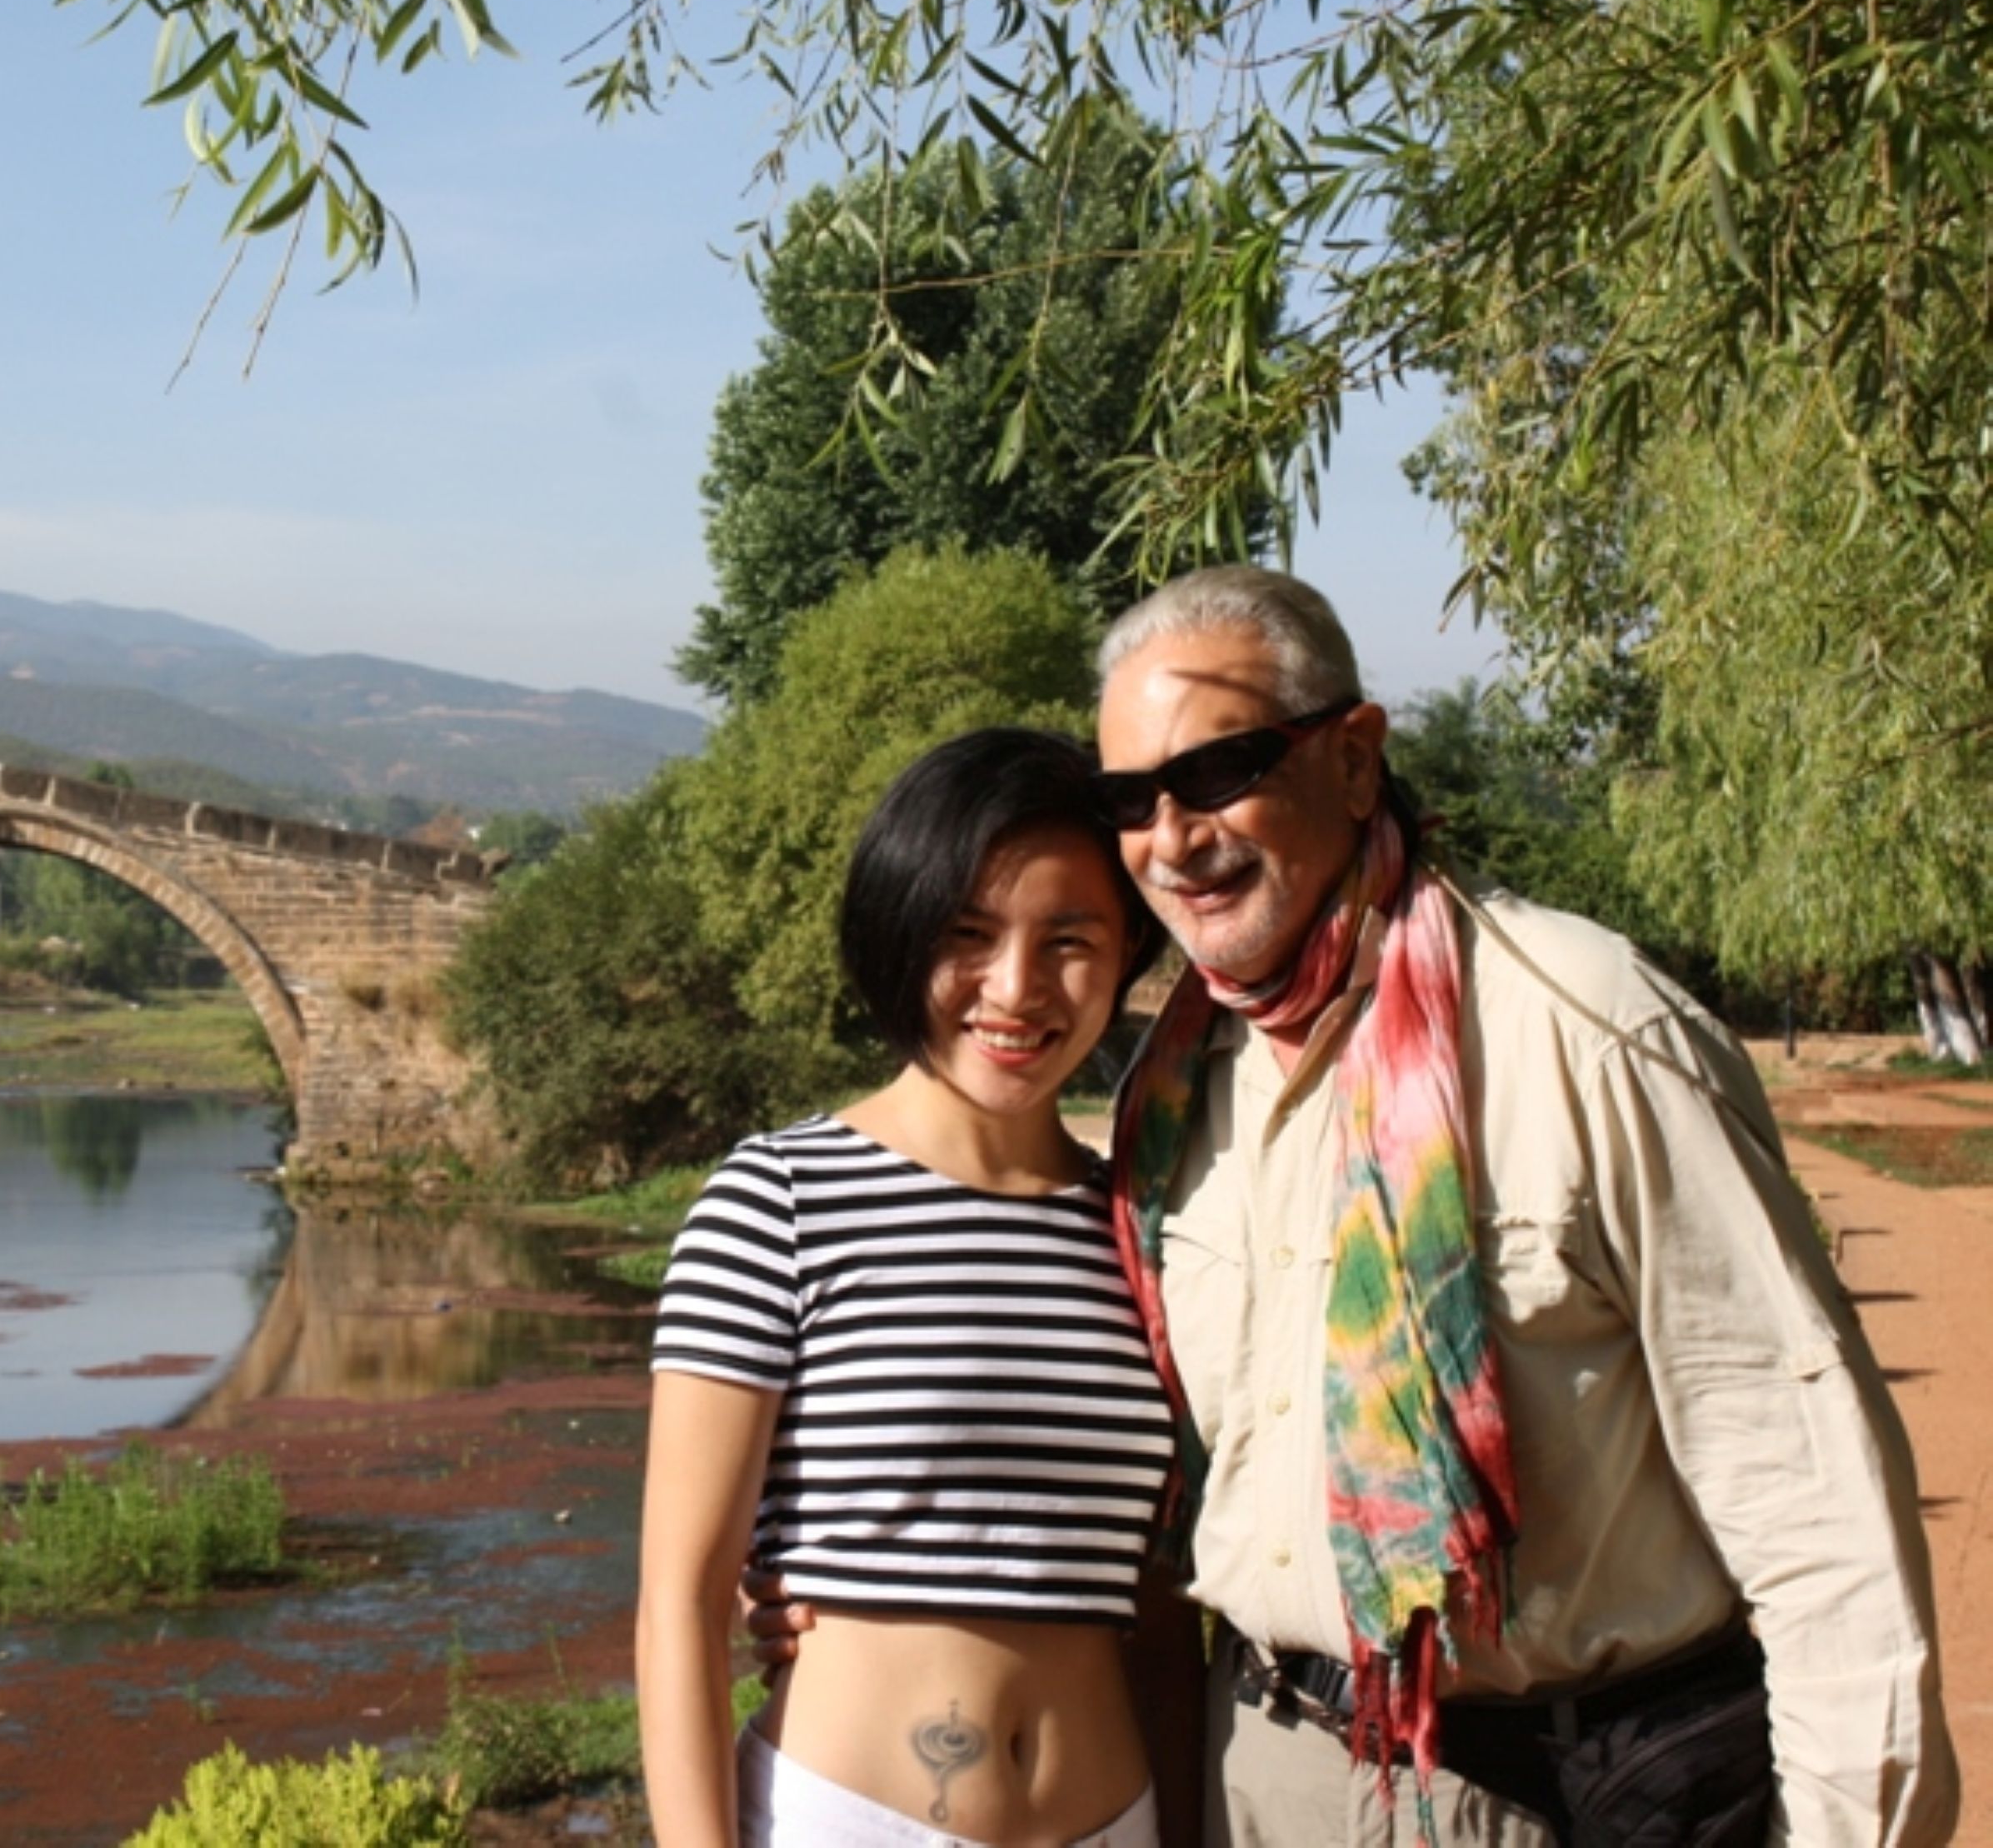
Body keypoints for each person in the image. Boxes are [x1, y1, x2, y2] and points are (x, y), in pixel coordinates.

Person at [760, 567, 1956, 1846]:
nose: (1173, 836)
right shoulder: (1174, 1097)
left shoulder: (1584, 1033)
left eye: (1221, 771)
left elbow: (1815, 1502)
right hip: (1270, 1770)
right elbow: (1120, 1478)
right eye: (1128, 800)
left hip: (1582, 1782)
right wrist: (838, 1570)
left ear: (1353, 758)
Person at [637, 727, 1196, 1847]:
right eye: (968, 935)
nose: (1017, 987)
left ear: (1129, 945)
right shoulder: (778, 1199)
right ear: (900, 936)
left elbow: (1157, 1607)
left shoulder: (1150, 1227)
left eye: (1069, 940)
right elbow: (681, 1607)